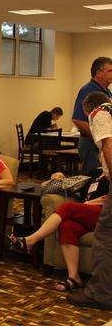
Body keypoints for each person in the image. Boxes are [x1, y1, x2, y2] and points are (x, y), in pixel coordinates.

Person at [8, 167, 108, 292]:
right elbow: (77, 182)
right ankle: (74, 277)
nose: (102, 155)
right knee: (66, 226)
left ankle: (30, 240)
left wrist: (86, 205)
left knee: (68, 207)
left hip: (105, 214)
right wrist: (62, 177)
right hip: (87, 213)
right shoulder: (96, 172)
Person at [67, 92, 112, 310]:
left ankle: (100, 294)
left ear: (87, 112)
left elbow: (108, 144)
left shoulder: (98, 113)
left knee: (105, 237)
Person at [71, 56, 112, 175]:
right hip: (91, 143)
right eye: (109, 71)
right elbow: (77, 119)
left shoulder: (107, 91)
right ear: (98, 72)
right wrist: (97, 138)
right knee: (92, 177)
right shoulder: (88, 90)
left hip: (104, 143)